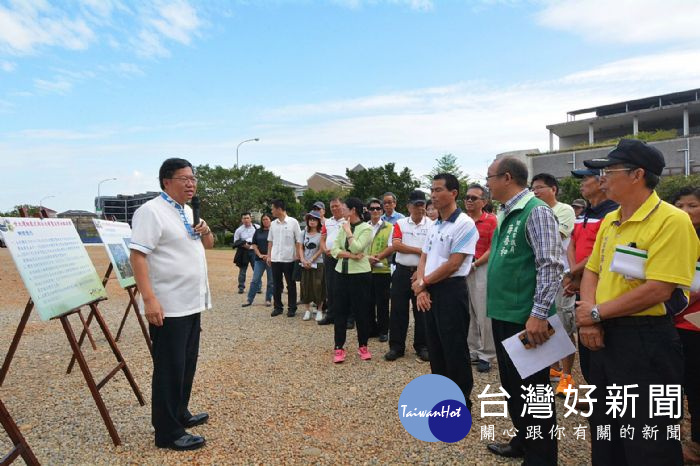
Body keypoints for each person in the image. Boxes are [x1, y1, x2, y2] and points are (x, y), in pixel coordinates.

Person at [576, 139, 699, 465]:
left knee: (650, 437)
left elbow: (659, 289)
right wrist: (590, 318)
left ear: (637, 174)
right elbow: (592, 271)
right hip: (602, 334)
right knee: (606, 429)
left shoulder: (671, 221)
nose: (602, 178)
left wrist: (596, 313)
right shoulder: (611, 220)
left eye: (609, 170)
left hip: (646, 340)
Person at [129, 158, 214, 451]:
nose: (191, 183)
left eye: (193, 178)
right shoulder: (151, 211)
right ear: (166, 181)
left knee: (186, 363)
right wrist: (149, 298)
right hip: (168, 305)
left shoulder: (187, 211)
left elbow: (209, 245)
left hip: (191, 302)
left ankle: (180, 413)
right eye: (184, 178)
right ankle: (166, 432)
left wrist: (205, 231)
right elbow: (138, 256)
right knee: (169, 367)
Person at [484, 157, 562, 465]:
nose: (486, 183)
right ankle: (523, 440)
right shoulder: (508, 211)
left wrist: (539, 313)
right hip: (505, 313)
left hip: (526, 318)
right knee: (513, 387)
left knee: (534, 393)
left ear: (506, 177)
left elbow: (551, 265)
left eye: (489, 177)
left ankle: (541, 458)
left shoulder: (536, 211)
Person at [412, 173, 478, 410]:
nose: (433, 195)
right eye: (432, 190)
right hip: (430, 289)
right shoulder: (435, 225)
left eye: (439, 190)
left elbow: (454, 264)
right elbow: (424, 257)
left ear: (453, 193)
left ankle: (461, 401)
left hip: (451, 290)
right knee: (436, 346)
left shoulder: (464, 224)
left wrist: (423, 283)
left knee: (454, 348)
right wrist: (421, 288)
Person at [564, 168, 618, 383]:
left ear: (601, 181)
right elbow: (572, 243)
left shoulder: (613, 213)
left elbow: (600, 253)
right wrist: (574, 273)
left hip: (602, 286)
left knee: (603, 341)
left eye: (585, 178)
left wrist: (572, 272)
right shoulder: (584, 214)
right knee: (586, 344)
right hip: (581, 285)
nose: (581, 183)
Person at [530, 173, 577, 396]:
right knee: (547, 323)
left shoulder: (564, 210)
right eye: (533, 188)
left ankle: (567, 376)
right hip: (541, 275)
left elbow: (556, 236)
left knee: (564, 325)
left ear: (554, 189)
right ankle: (553, 368)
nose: (536, 192)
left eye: (540, 187)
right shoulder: (534, 210)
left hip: (562, 274)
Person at [385, 190, 433, 362]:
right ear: (408, 206)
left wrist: (421, 265)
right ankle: (396, 347)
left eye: (422, 204)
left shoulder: (432, 225)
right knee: (398, 310)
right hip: (402, 271)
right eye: (416, 204)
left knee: (422, 310)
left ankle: (423, 346)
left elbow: (433, 250)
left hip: (422, 273)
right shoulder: (400, 223)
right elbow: (397, 245)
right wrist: (420, 250)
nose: (420, 208)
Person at [672, 186, 700, 464]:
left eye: (692, 205)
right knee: (670, 385)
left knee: (696, 386)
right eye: (679, 205)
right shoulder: (672, 236)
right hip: (673, 321)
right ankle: (672, 439)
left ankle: (697, 443)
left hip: (695, 325)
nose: (685, 212)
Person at [331, 197, 373, 363]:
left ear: (353, 210)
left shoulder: (366, 229)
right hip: (341, 273)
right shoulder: (343, 226)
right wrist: (351, 255)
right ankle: (339, 347)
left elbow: (357, 246)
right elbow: (334, 250)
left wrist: (349, 233)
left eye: (344, 207)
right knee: (339, 311)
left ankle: (363, 345)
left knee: (361, 311)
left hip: (361, 275)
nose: (341, 210)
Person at [464, 183, 497, 373]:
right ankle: (473, 350)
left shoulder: (492, 221)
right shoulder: (462, 220)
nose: (469, 201)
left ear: (483, 201)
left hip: (481, 268)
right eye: (467, 197)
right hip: (461, 268)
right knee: (467, 312)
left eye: (473, 198)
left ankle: (487, 354)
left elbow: (492, 248)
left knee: (484, 313)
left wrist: (475, 265)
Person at [267, 199, 303, 317]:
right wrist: (269, 255)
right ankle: (278, 307)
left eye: (273, 208)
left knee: (290, 284)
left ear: (279, 209)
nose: (271, 211)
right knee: (276, 284)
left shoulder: (293, 222)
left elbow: (298, 240)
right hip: (275, 258)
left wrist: (298, 255)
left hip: (289, 259)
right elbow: (270, 241)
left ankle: (292, 308)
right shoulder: (273, 224)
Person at [366, 198, 394, 342]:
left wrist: (376, 258)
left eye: (378, 208)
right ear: (368, 211)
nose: (375, 211)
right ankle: (371, 329)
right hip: (366, 269)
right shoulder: (364, 227)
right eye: (372, 208)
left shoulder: (389, 227)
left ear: (382, 211)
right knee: (368, 301)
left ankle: (384, 330)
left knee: (382, 302)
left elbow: (391, 246)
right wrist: (367, 259)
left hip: (382, 269)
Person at [317, 197, 345, 325]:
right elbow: (322, 239)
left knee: (344, 287)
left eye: (336, 206)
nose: (334, 208)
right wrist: (324, 249)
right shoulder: (327, 222)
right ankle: (331, 314)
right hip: (329, 257)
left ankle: (347, 316)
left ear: (342, 206)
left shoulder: (348, 220)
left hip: (343, 257)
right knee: (330, 287)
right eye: (332, 207)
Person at [242, 213, 273, 308]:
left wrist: (269, 256)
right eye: (263, 219)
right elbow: (254, 244)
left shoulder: (274, 231)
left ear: (271, 220)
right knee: (255, 280)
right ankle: (249, 299)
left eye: (267, 219)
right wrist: (259, 255)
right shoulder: (258, 231)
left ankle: (268, 299)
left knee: (271, 281)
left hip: (271, 259)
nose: (265, 221)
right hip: (259, 259)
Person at [300, 211, 325, 321]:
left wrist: (311, 259)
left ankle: (319, 309)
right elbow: (300, 247)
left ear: (318, 221)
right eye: (310, 219)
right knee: (305, 285)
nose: (312, 221)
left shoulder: (321, 234)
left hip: (318, 263)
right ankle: (307, 310)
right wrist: (303, 259)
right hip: (305, 263)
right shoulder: (303, 233)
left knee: (318, 285)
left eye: (314, 219)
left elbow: (321, 249)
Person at [232, 212, 258, 294]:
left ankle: (258, 287)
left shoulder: (257, 227)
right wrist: (243, 244)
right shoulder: (239, 230)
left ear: (251, 218)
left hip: (254, 251)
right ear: (242, 220)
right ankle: (241, 287)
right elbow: (235, 241)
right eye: (244, 218)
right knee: (242, 271)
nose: (246, 220)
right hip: (243, 252)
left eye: (247, 218)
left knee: (257, 270)